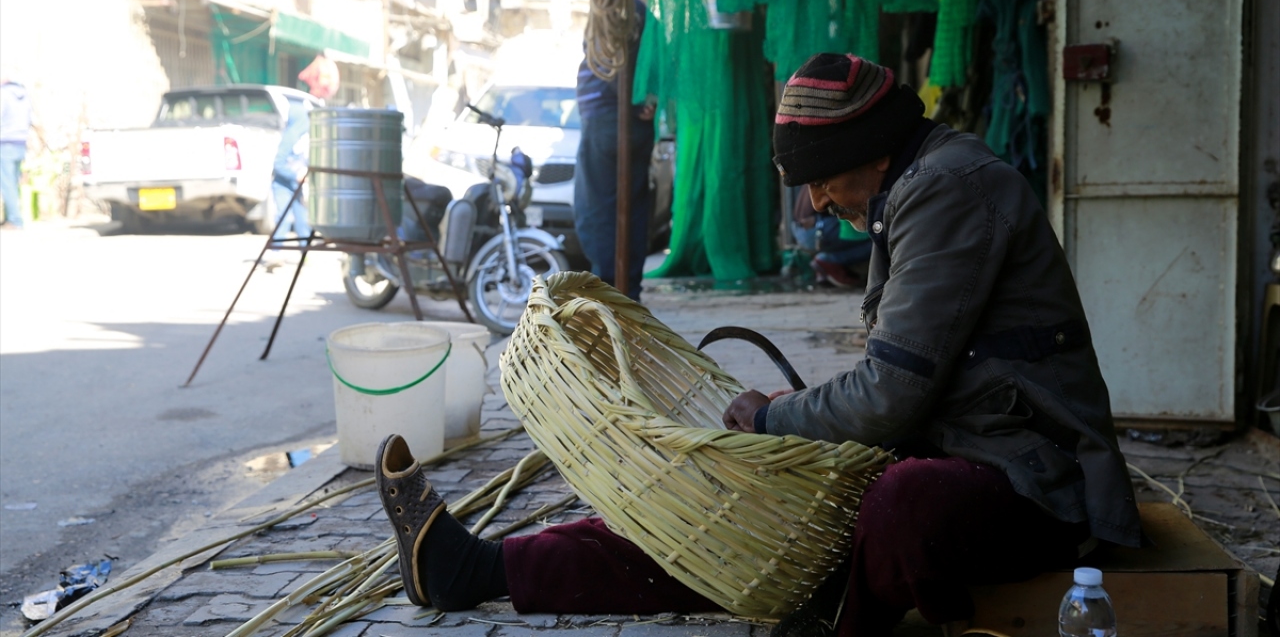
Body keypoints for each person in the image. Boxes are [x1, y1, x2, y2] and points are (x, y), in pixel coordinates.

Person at [371, 53, 1141, 636]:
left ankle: (833, 618)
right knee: (725, 506)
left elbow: (892, 392)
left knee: (901, 505)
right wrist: (776, 431)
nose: (816, 200)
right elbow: (906, 381)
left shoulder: (946, 189)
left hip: (1037, 483)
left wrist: (775, 419)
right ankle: (479, 567)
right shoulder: (909, 187)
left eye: (821, 179)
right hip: (960, 442)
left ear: (874, 149)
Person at [573, 0, 656, 301]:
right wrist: (645, 100)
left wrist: (636, 102)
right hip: (629, 122)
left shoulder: (614, 9)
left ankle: (609, 291)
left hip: (610, 120)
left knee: (598, 208)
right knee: (631, 206)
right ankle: (627, 290)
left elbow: (613, 66)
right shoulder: (640, 12)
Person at [265, 55, 340, 269]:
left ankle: (304, 253)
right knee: (284, 216)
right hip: (284, 180)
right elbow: (278, 163)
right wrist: (295, 175)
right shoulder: (298, 120)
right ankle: (275, 255)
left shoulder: (309, 129)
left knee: (302, 218)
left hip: (300, 181)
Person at [790, 185, 871, 288]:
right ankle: (830, 260)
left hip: (800, 228)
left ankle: (827, 264)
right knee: (878, 235)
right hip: (817, 226)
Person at [0, 73, 32, 229]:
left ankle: (14, 220)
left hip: (4, 142)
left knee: (6, 184)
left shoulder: (3, 93)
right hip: (20, 142)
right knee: (13, 183)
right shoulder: (23, 94)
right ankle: (12, 218)